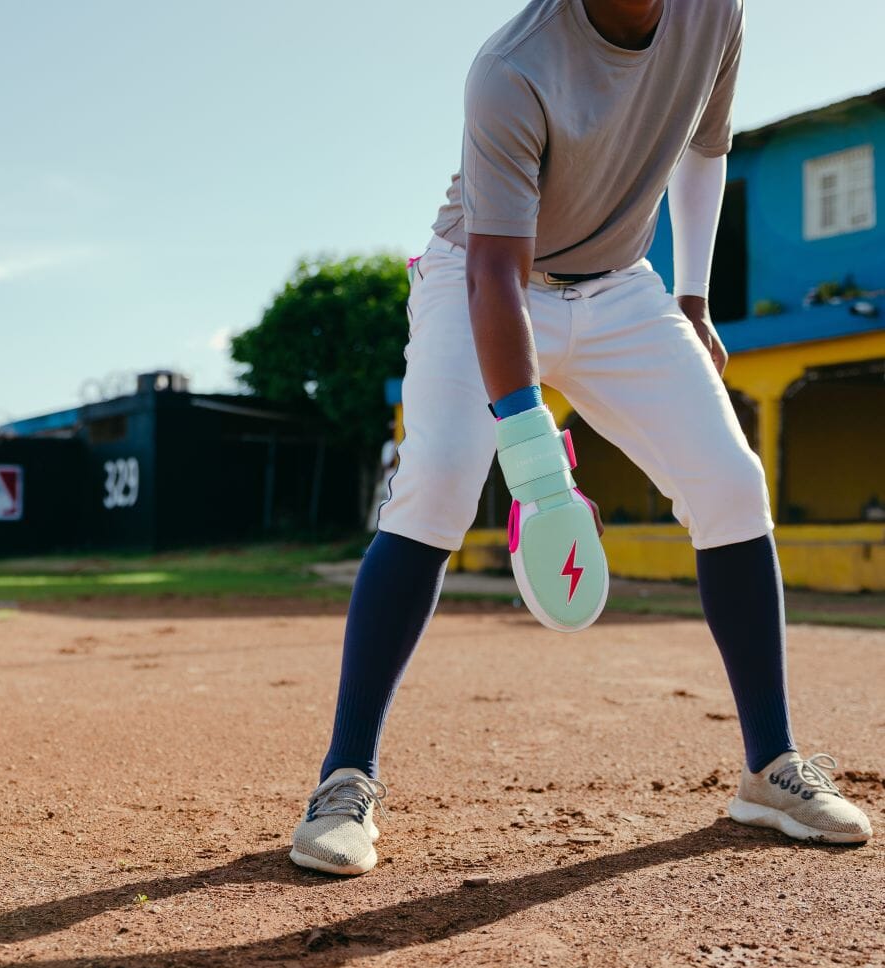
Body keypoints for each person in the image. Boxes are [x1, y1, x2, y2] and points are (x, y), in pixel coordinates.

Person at [290, 0, 873, 876]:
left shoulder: (715, 12)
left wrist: (694, 298)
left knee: (729, 482)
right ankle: (345, 778)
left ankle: (769, 766)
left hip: (621, 286)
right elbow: (493, 269)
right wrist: (532, 465)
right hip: (482, 277)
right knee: (440, 482)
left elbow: (705, 148)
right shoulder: (512, 67)